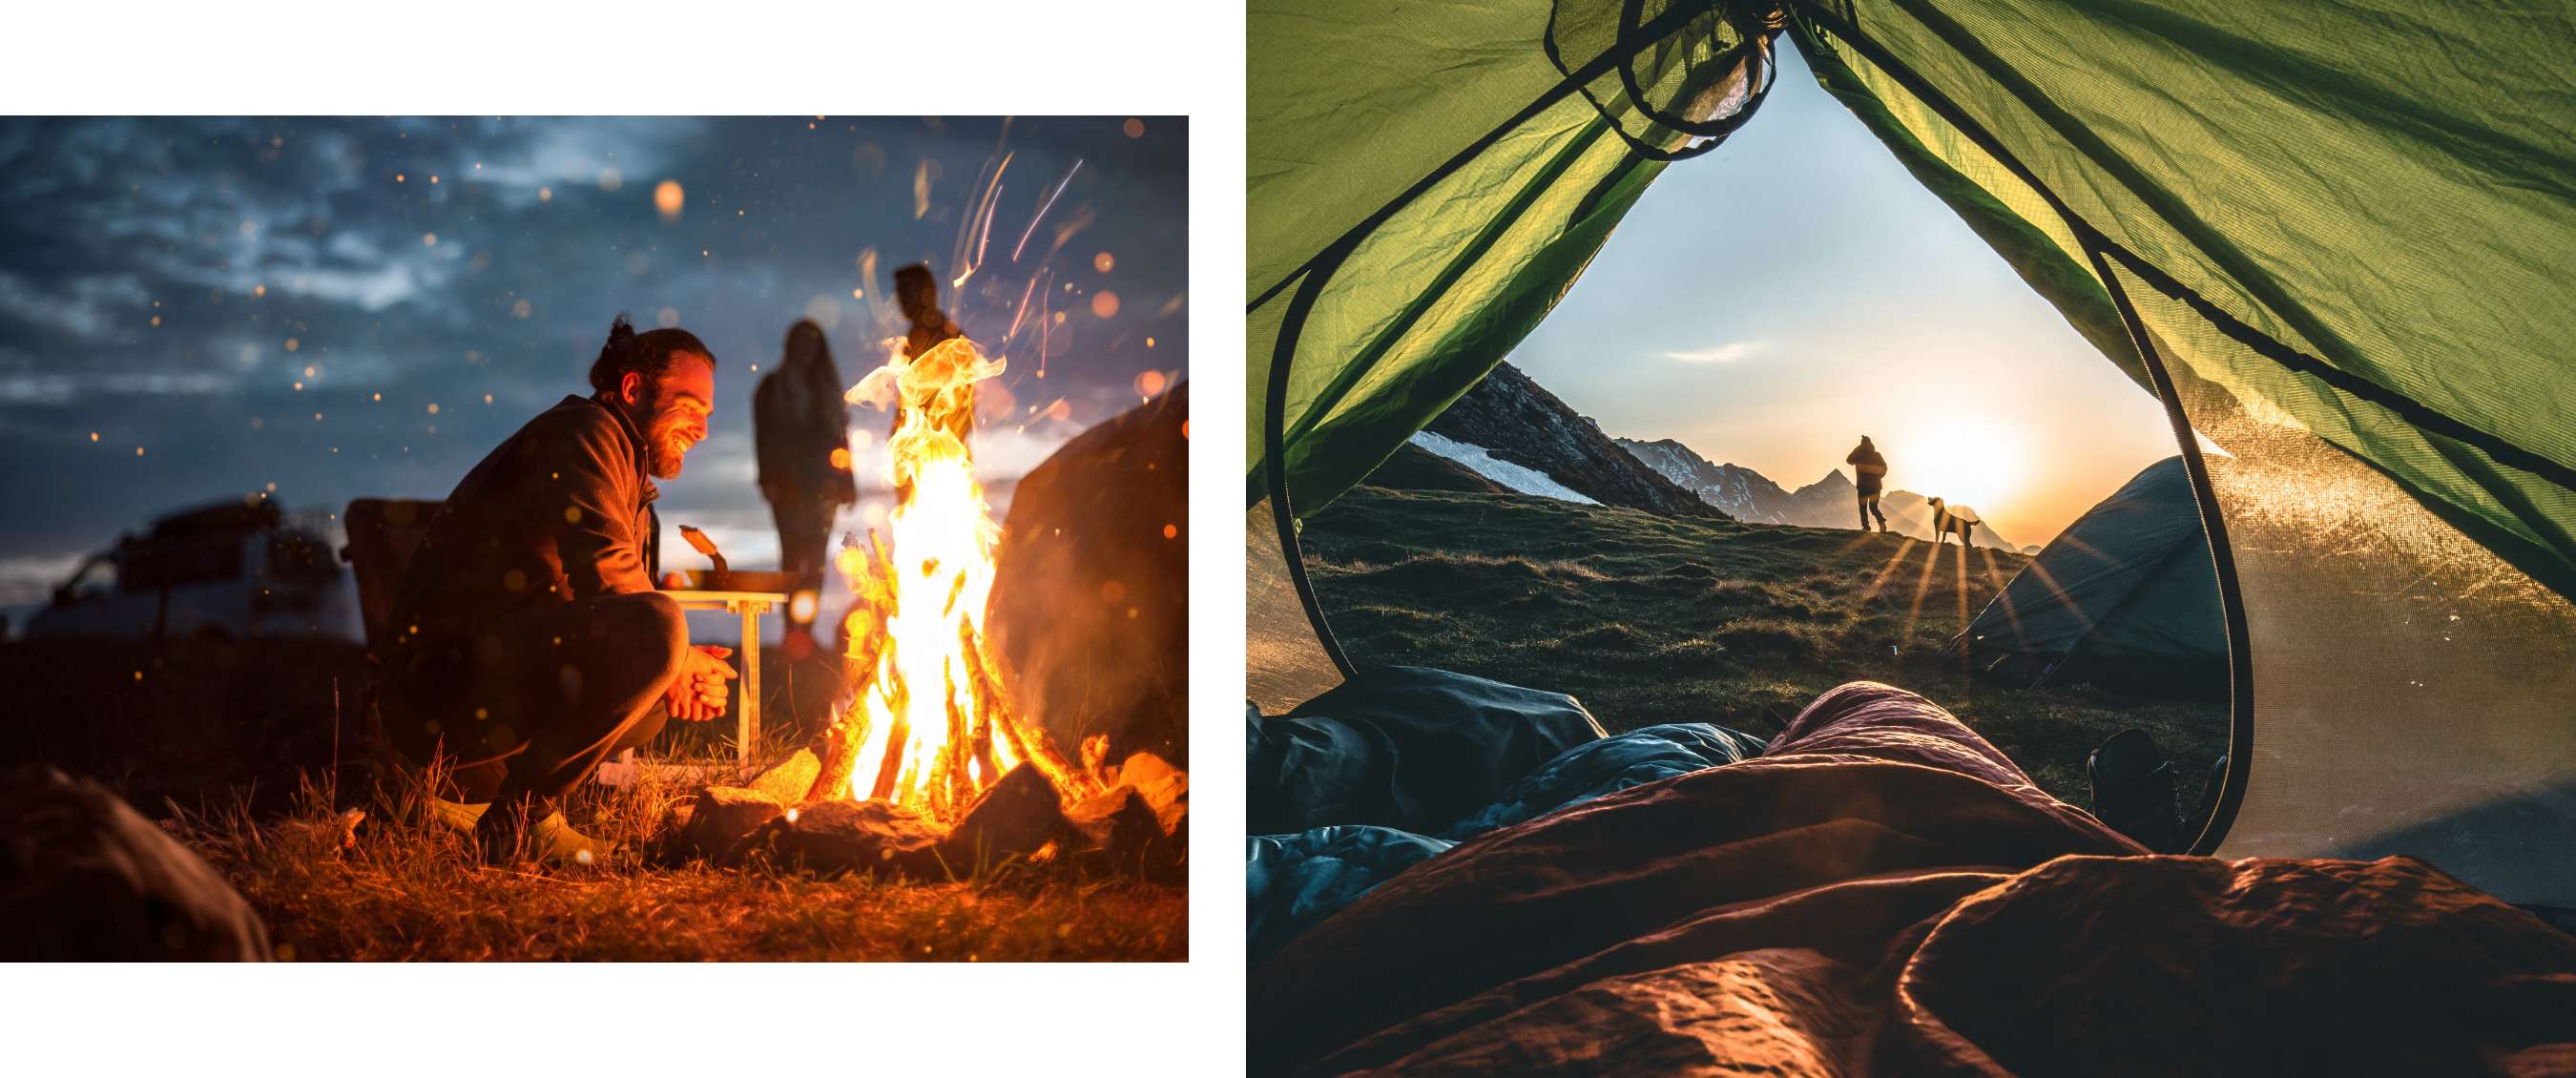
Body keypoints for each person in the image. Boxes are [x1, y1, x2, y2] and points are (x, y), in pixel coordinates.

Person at [382, 315, 737, 864]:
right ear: (633, 388)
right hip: (437, 686)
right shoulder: (584, 433)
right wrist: (678, 655)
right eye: (689, 406)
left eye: (708, 415)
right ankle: (517, 821)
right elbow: (608, 573)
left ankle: (477, 798)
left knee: (653, 697)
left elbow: (606, 599)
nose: (703, 429)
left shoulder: (626, 466)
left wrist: (675, 671)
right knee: (660, 631)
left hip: (487, 674)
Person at [753, 320, 858, 655]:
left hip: (821, 489)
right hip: (788, 488)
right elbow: (764, 438)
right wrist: (769, 479)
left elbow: (839, 442)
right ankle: (792, 634)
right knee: (792, 561)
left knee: (815, 564)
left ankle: (804, 634)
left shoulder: (825, 390)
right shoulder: (773, 387)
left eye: (811, 343)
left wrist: (847, 481)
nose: (806, 349)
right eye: (801, 342)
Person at [1846, 436, 1890, 532]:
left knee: (1863, 507)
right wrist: (1879, 477)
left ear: (1861, 444)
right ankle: (1882, 523)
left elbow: (1849, 460)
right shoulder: (1877, 455)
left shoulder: (1858, 454)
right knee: (1873, 507)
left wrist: (1856, 449)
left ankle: (1866, 527)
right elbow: (1885, 468)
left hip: (1863, 486)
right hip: (1875, 486)